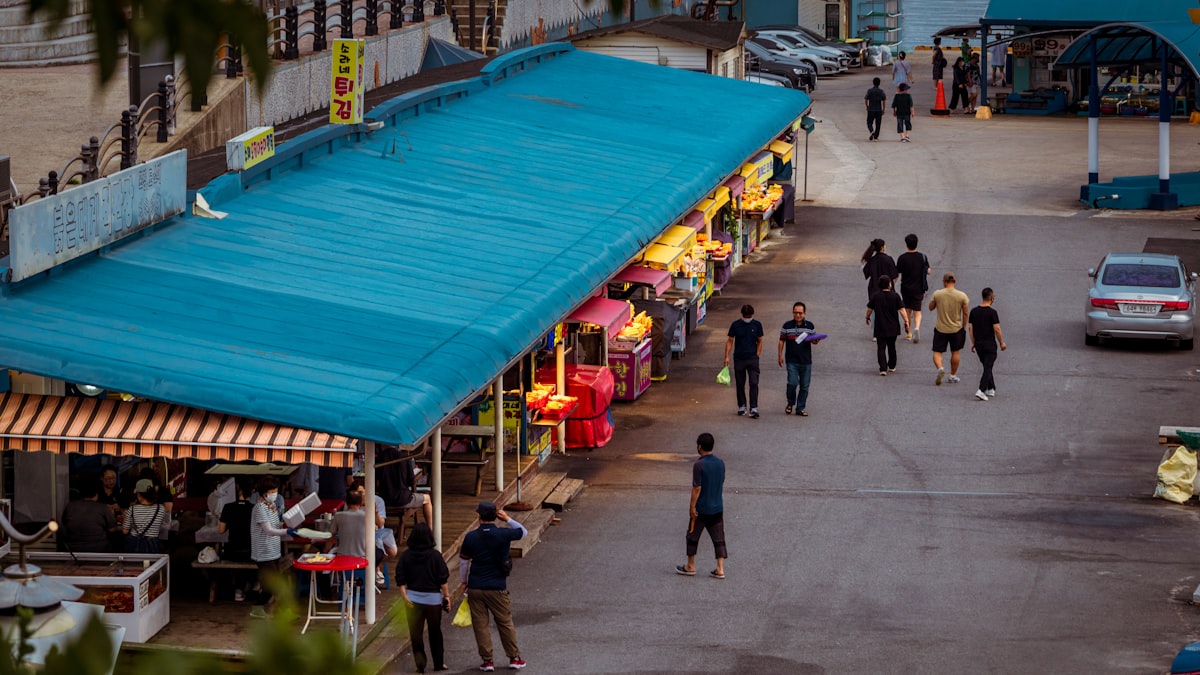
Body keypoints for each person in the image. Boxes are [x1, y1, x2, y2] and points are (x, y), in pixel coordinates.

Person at [459, 500, 528, 672]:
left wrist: (464, 582)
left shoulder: (470, 537)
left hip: (475, 586)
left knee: (480, 625)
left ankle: (487, 661)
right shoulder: (504, 534)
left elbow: (463, 562)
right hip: (497, 586)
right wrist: (508, 519)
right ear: (496, 516)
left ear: (478, 516)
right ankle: (514, 657)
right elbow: (524, 532)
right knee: (505, 622)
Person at [396, 523, 451, 674]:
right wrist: (446, 596)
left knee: (416, 635)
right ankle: (439, 663)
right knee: (435, 632)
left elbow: (400, 577)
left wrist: (404, 595)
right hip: (433, 600)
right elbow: (443, 579)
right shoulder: (435, 555)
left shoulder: (406, 555)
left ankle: (420, 666)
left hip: (413, 599)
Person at [674, 433, 726, 580]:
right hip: (717, 507)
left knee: (692, 535)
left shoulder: (699, 465)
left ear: (699, 447)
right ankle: (720, 568)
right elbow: (721, 481)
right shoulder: (720, 463)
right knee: (718, 537)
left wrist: (692, 507)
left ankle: (690, 566)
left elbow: (697, 488)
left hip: (702, 508)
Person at [249, 476, 298, 619]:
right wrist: (286, 531)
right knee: (273, 586)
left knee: (274, 585)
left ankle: (280, 611)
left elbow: (276, 526)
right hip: (263, 552)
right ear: (265, 493)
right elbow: (269, 530)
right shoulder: (259, 508)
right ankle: (260, 608)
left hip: (274, 551)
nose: (275, 494)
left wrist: (287, 525)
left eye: (276, 490)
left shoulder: (271, 507)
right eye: (273, 491)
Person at [928, 272, 971, 385]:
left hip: (940, 328)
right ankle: (952, 375)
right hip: (956, 329)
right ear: (954, 282)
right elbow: (966, 313)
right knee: (955, 352)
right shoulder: (962, 296)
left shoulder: (938, 294)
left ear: (944, 282)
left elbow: (930, 308)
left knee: (937, 352)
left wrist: (937, 302)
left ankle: (940, 368)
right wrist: (963, 327)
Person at [778, 301, 820, 416]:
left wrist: (815, 340)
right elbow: (782, 340)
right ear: (792, 313)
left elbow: (814, 341)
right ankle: (790, 402)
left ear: (805, 314)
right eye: (795, 313)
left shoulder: (809, 326)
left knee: (805, 386)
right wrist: (779, 355)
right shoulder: (787, 326)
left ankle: (800, 408)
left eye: (800, 313)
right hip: (791, 360)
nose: (798, 315)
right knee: (792, 383)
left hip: (806, 361)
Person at [723, 304, 764, 418]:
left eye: (749, 316)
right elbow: (730, 340)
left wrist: (757, 354)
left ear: (752, 315)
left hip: (752, 359)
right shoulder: (735, 325)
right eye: (746, 316)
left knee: (754, 383)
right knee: (740, 384)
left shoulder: (757, 325)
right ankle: (742, 405)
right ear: (742, 315)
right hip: (739, 358)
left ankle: (754, 407)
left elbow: (760, 340)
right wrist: (726, 356)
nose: (747, 318)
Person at [218, 479, 255, 601]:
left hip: (231, 552)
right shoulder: (255, 509)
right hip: (251, 552)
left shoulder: (228, 507)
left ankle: (238, 589)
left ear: (238, 489)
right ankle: (250, 585)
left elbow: (221, 530)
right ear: (253, 492)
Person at [968, 287, 1007, 401]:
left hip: (979, 345)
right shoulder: (992, 313)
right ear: (990, 297)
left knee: (986, 366)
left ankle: (991, 388)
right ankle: (981, 389)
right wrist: (1001, 343)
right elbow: (997, 329)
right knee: (988, 366)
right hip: (990, 345)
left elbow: (970, 328)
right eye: (993, 296)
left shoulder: (974, 311)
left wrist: (973, 343)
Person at [60, 478, 118, 553]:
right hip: (99, 549)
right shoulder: (102, 507)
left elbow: (63, 527)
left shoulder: (70, 506)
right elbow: (112, 529)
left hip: (73, 549)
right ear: (96, 495)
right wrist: (112, 515)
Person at [866, 276, 909, 375]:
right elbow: (902, 310)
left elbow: (869, 309)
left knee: (881, 347)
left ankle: (883, 368)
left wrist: (867, 317)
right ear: (889, 284)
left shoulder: (876, 296)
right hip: (893, 326)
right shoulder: (895, 296)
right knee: (892, 346)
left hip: (880, 326)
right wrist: (906, 321)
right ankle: (892, 366)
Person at [895, 233, 931, 343]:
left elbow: (897, 273)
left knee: (907, 310)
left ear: (906, 244)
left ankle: (909, 333)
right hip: (918, 288)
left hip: (906, 288)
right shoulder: (922, 257)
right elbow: (929, 271)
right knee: (917, 311)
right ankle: (917, 328)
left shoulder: (902, 258)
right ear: (917, 244)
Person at [861, 238, 897, 304]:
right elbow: (894, 276)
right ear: (882, 247)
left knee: (875, 311)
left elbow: (866, 273)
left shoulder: (871, 260)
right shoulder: (889, 259)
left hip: (874, 290)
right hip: (888, 292)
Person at [865, 76, 886, 141]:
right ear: (879, 83)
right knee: (878, 123)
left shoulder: (869, 90)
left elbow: (866, 99)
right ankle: (876, 136)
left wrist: (867, 106)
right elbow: (884, 101)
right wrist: (883, 109)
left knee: (869, 122)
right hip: (878, 109)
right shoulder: (881, 91)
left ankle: (872, 131)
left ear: (873, 83)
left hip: (871, 109)